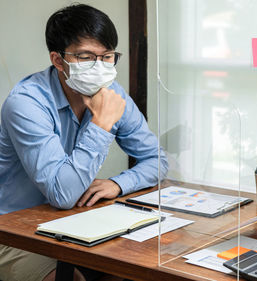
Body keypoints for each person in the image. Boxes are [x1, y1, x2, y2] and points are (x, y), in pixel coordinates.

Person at [0, 4, 168, 281]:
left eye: (107, 57)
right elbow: (63, 195)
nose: (99, 67)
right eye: (86, 57)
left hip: (75, 223)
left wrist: (118, 184)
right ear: (58, 60)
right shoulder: (26, 104)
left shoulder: (112, 93)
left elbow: (157, 159)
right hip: (13, 229)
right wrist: (101, 124)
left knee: (135, 271)